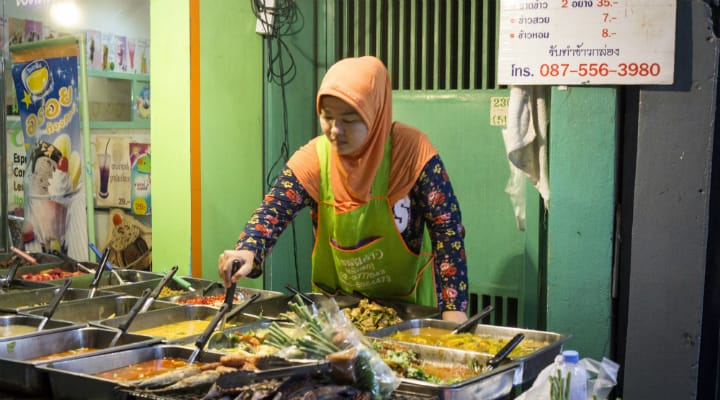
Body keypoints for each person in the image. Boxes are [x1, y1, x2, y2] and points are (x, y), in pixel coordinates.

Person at [218, 56, 468, 322]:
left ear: (375, 112)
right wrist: (248, 249)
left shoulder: (411, 151)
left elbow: (448, 231)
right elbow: (274, 210)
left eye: (349, 120)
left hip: (409, 311)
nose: (335, 130)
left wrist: (454, 311)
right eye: (327, 117)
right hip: (338, 314)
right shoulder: (315, 157)